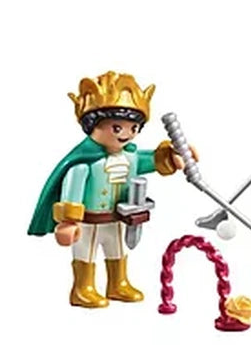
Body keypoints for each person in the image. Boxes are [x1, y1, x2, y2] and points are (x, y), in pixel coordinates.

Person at [28, 71, 188, 307]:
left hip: (117, 218)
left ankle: (118, 283)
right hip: (88, 222)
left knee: (118, 250)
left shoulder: (130, 157)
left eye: (134, 128)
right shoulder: (83, 164)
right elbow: (71, 191)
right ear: (93, 126)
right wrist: (68, 222)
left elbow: (152, 160)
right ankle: (82, 288)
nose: (127, 134)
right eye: (117, 128)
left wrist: (172, 157)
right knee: (86, 253)